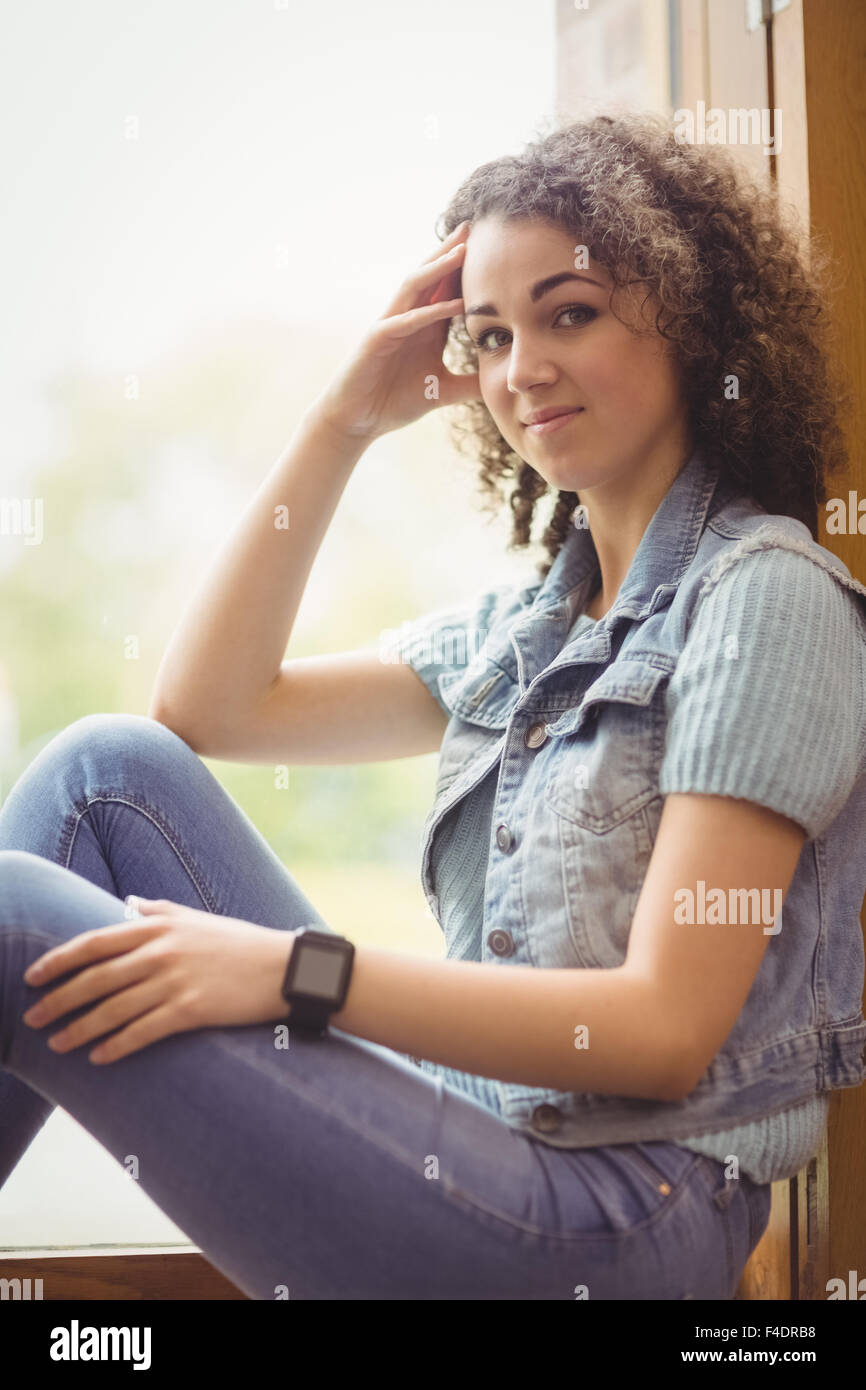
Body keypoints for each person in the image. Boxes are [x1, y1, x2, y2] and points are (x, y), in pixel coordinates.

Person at [2, 110, 865, 1301]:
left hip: (617, 1219)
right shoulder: (532, 626)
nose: (521, 370)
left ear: (691, 318)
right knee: (101, 771)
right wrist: (342, 422)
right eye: (489, 332)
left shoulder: (761, 598)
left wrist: (291, 971)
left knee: (8, 914)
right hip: (483, 1153)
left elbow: (665, 1027)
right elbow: (204, 708)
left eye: (569, 312)